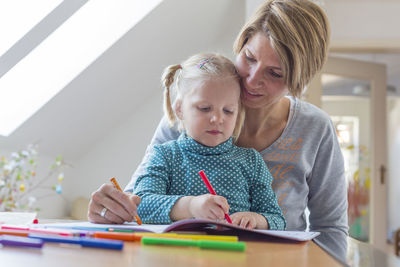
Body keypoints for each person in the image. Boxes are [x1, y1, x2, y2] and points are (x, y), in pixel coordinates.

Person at [89, 0, 347, 256]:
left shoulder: (315, 129)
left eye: (275, 73)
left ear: (299, 78)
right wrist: (110, 209)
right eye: (249, 58)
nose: (252, 79)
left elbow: (330, 229)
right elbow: (138, 201)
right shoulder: (190, 117)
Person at [132, 53, 285, 230]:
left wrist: (256, 219)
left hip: (237, 253)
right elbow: (140, 205)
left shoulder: (251, 161)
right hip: (176, 253)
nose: (217, 119)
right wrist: (190, 206)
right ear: (180, 109)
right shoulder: (165, 155)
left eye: (228, 111)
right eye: (205, 108)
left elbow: (277, 219)